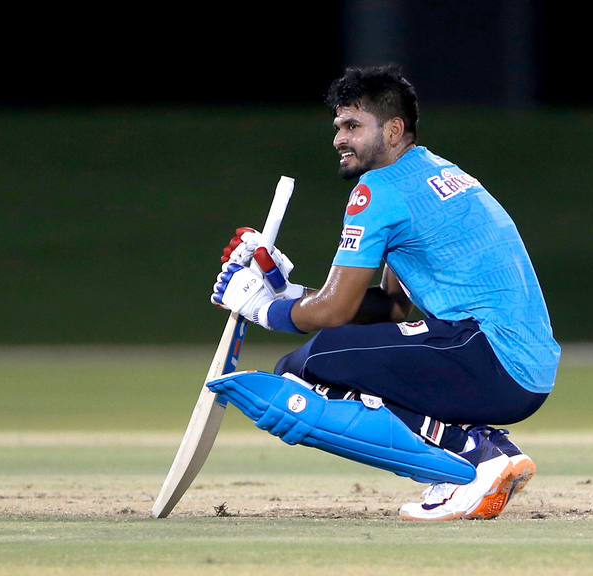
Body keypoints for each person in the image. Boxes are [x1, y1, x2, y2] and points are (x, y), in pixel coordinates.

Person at [209, 65, 560, 521]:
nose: (339, 138)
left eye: (353, 126)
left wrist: (263, 307)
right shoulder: (434, 172)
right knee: (352, 356)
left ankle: (472, 460)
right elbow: (392, 307)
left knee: (308, 366)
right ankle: (490, 447)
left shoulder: (376, 191)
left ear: (394, 130)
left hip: (490, 355)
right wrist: (288, 291)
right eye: (338, 126)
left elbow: (334, 310)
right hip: (515, 362)